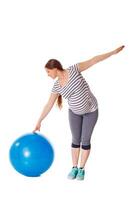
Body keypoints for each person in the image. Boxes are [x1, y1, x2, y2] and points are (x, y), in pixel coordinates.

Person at [33, 45, 125, 180]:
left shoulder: (74, 70)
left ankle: (82, 169)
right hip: (74, 113)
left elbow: (94, 60)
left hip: (91, 112)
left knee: (85, 140)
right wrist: (39, 121)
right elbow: (48, 105)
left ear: (55, 68)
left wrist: (113, 52)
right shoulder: (57, 86)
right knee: (75, 140)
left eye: (48, 72)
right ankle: (74, 168)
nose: (48, 75)